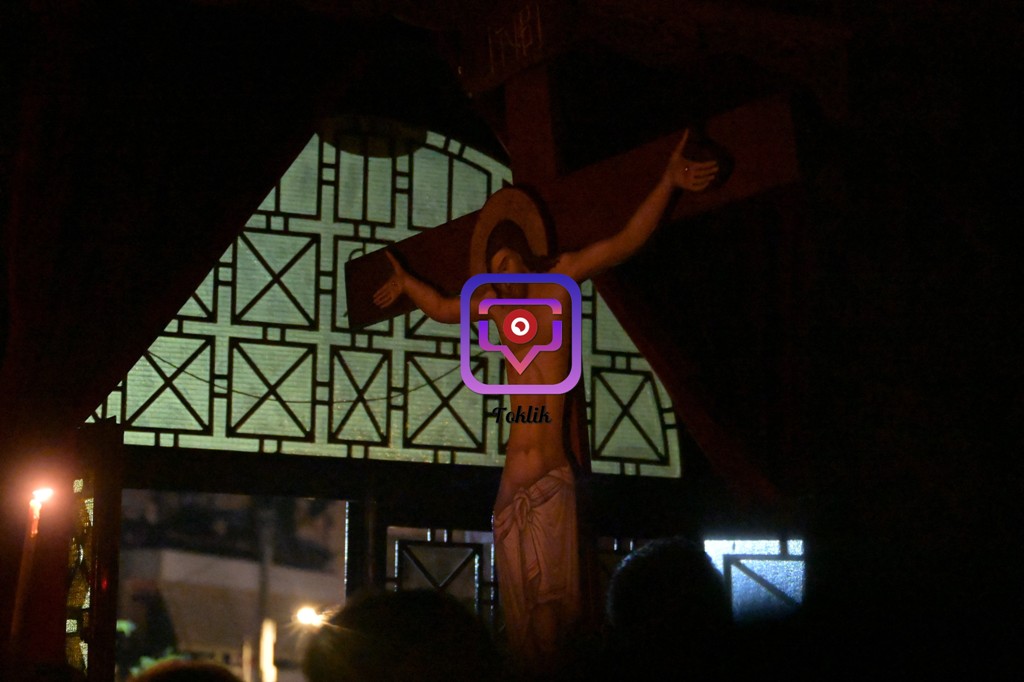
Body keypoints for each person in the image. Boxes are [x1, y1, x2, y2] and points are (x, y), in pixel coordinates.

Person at [373, 130, 718, 668]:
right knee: (524, 628)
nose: (500, 269)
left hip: (550, 474)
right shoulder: (491, 306)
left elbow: (626, 241)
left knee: (552, 620)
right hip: (511, 481)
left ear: (528, 252)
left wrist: (668, 182)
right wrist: (406, 282)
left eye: (507, 258)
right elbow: (441, 307)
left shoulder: (560, 281)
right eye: (493, 267)